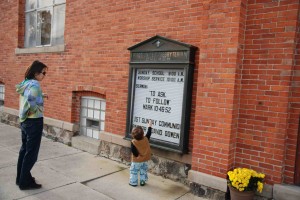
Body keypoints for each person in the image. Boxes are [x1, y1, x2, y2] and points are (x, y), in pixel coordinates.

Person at [15, 60, 48, 190]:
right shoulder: (35, 85)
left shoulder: (26, 83)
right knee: (31, 154)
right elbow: (30, 100)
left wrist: (41, 96)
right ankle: (24, 182)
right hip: (33, 121)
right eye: (43, 73)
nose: (44, 75)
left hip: (25, 122)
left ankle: (21, 178)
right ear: (36, 73)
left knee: (24, 151)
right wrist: (35, 108)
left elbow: (29, 96)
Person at [129, 120, 152, 187]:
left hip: (136, 160)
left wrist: (137, 155)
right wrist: (150, 125)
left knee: (134, 171)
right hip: (144, 160)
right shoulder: (146, 139)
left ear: (133, 136)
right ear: (143, 134)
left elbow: (133, 150)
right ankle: (142, 181)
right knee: (143, 171)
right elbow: (149, 133)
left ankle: (133, 182)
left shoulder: (133, 142)